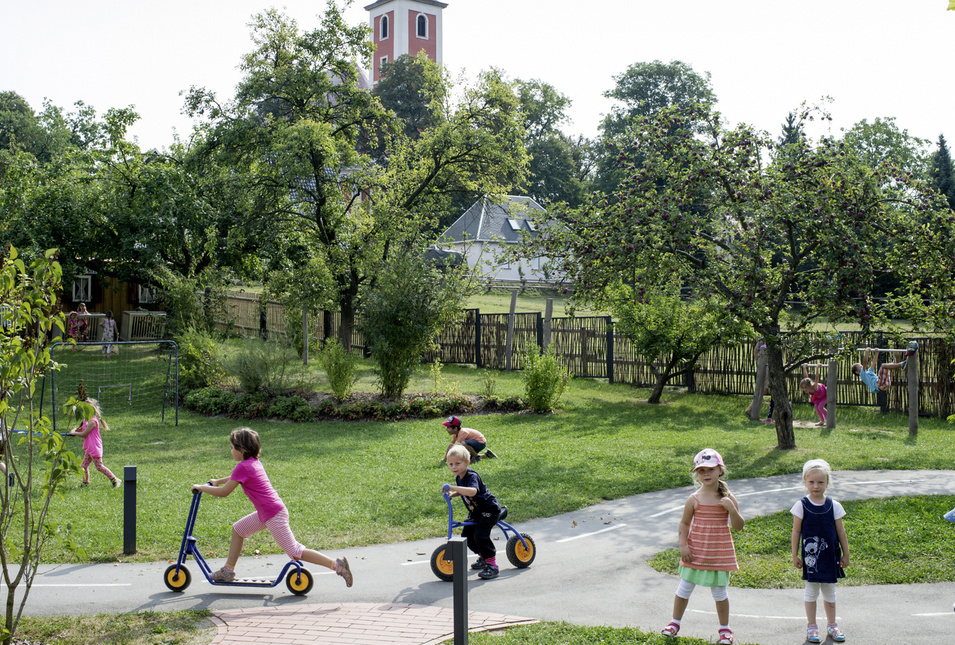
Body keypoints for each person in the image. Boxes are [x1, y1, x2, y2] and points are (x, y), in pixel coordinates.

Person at [191, 427, 353, 587]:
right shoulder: (252, 462)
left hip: (273, 514)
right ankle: (228, 570)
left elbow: (224, 492)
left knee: (295, 551)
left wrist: (202, 487)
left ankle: (336, 565)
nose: (231, 450)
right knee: (238, 530)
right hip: (267, 512)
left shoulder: (243, 467)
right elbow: (235, 477)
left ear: (242, 449)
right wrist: (218, 480)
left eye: (233, 447)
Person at [661, 449, 745, 644]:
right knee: (684, 589)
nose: (706, 474)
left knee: (720, 594)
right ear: (696, 474)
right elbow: (684, 524)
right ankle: (674, 623)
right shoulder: (694, 499)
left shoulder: (728, 498)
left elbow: (739, 526)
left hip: (719, 554)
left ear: (720, 471)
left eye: (710, 469)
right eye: (701, 471)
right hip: (695, 553)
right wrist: (683, 545)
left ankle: (725, 630)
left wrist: (731, 509)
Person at [791, 459, 849, 643]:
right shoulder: (801, 505)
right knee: (811, 592)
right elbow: (796, 531)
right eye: (811, 482)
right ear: (805, 482)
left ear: (827, 483)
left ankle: (832, 626)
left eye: (820, 482)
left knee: (830, 592)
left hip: (830, 556)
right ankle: (811, 627)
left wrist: (846, 554)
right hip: (811, 559)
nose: (816, 486)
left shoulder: (834, 505)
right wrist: (794, 554)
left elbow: (840, 531)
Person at [443, 444, 502, 580]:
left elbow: (473, 491)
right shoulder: (459, 476)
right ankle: (482, 556)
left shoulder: (471, 476)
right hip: (476, 512)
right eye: (451, 464)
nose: (454, 467)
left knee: (480, 536)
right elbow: (464, 490)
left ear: (467, 463)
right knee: (467, 536)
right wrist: (454, 494)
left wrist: (452, 487)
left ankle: (492, 565)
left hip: (489, 510)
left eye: (457, 463)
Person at [67, 398, 120, 488]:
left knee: (99, 466)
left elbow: (84, 434)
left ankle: (114, 479)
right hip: (89, 447)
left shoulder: (93, 421)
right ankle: (85, 483)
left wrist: (75, 433)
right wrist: (74, 430)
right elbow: (81, 429)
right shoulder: (86, 420)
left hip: (94, 447)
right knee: (84, 466)